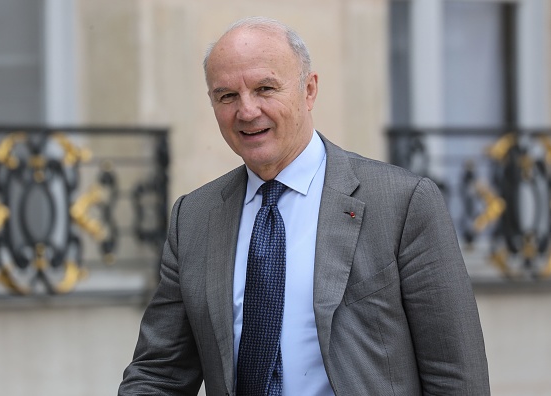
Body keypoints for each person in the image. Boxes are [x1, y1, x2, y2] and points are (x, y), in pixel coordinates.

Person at [119, 16, 490, 395]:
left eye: (265, 88)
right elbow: (159, 374)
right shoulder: (194, 218)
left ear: (309, 90)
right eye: (227, 95)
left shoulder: (402, 203)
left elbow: (456, 377)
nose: (246, 111)